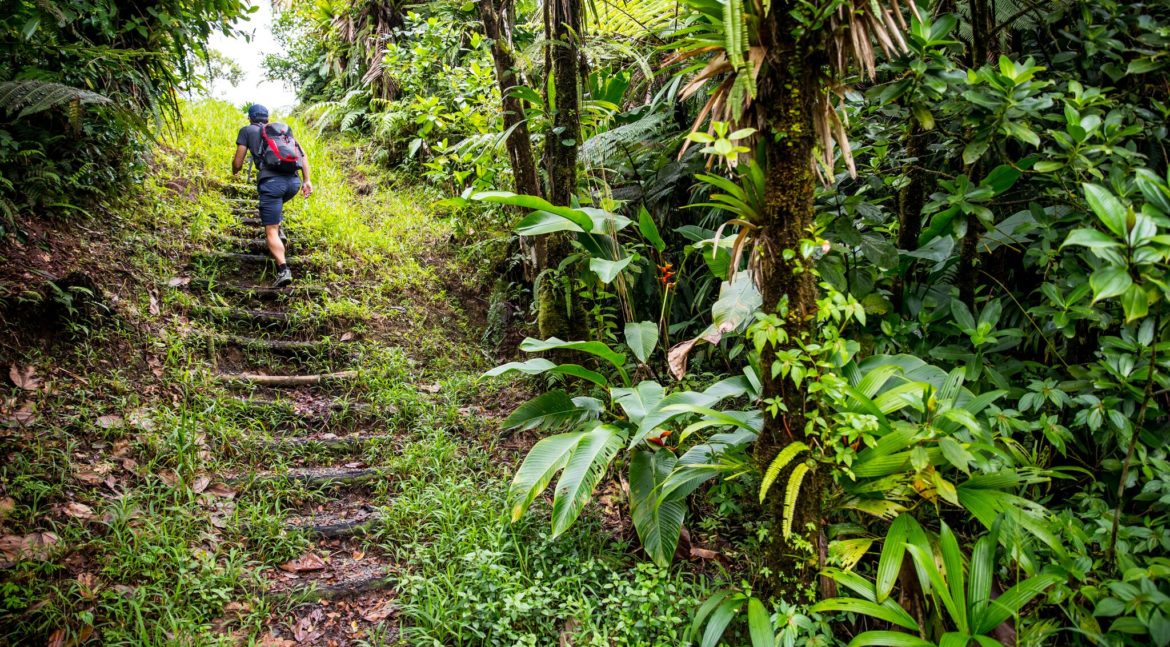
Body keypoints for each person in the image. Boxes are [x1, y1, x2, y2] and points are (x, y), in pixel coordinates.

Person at [231, 104, 313, 287]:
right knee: (275, 209)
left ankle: (283, 270)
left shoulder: (247, 131)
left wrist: (235, 170)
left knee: (271, 230)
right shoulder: (281, 131)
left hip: (271, 183)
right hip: (293, 183)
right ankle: (279, 229)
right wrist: (307, 180)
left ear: (250, 118)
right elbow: (303, 155)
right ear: (267, 118)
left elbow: (238, 161)